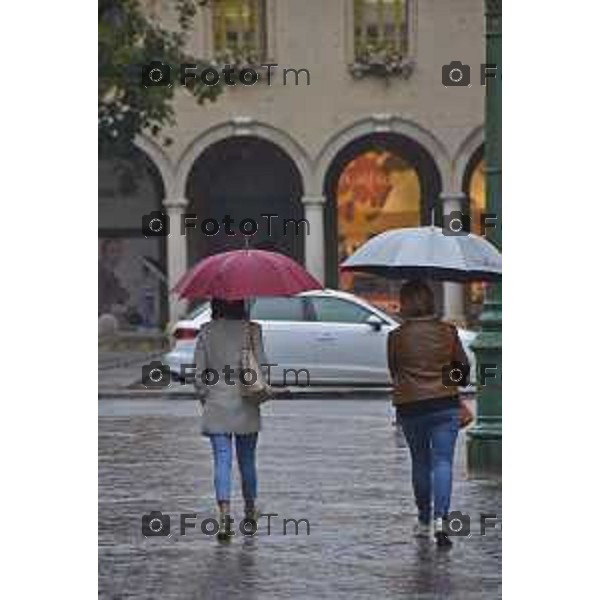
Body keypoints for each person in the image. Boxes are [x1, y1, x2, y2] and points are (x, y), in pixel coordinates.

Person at [387, 280, 470, 548]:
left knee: (420, 462)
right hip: (444, 404)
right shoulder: (448, 332)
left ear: (405, 303)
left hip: (410, 406)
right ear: (431, 301)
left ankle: (423, 520)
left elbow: (395, 371)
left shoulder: (396, 336)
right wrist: (447, 380)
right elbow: (462, 369)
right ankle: (441, 521)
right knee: (443, 462)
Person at [193, 298, 268, 540]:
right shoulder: (252, 329)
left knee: (221, 461)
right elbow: (263, 367)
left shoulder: (206, 331)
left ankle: (224, 516)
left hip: (216, 403)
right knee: (247, 461)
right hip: (246, 402)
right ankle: (249, 511)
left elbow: (198, 374)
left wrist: (207, 397)